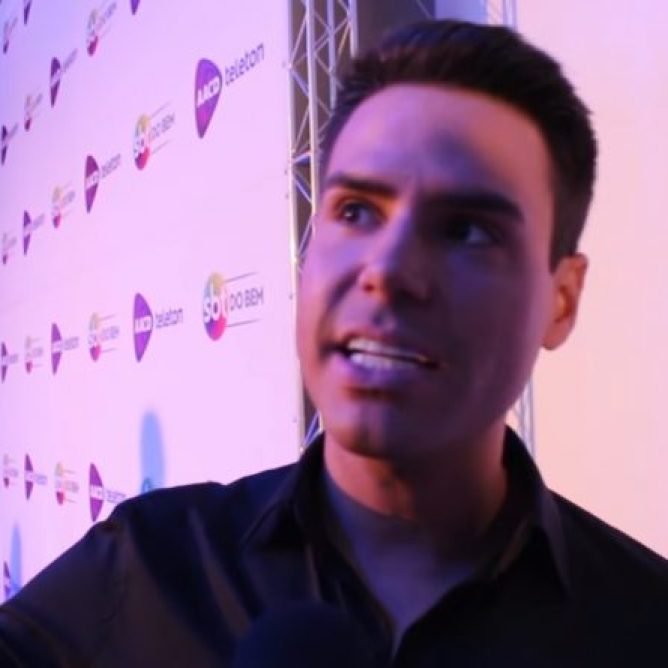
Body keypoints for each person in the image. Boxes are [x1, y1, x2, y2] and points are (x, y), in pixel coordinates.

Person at [1, 19, 667, 668]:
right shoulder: (147, 571)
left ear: (562, 300)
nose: (387, 269)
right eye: (356, 212)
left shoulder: (644, 622)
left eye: (465, 229)